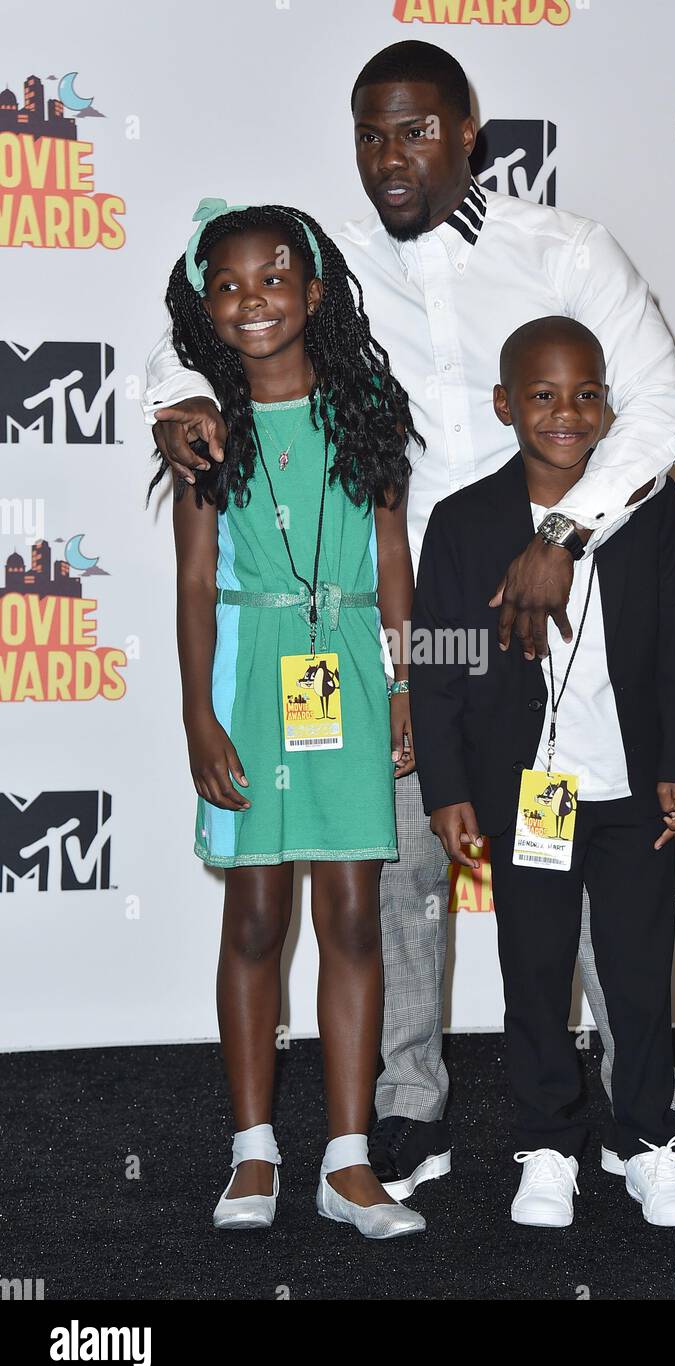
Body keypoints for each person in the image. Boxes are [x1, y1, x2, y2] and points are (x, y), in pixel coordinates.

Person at [141, 42, 675, 1201]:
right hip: (414, 619)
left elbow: (664, 408)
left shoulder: (559, 247)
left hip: (566, 609)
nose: (392, 154)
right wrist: (169, 395)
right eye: (371, 132)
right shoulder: (323, 259)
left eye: (416, 129)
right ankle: (405, 1112)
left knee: (593, 861)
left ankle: (642, 1122)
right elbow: (200, 315)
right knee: (404, 868)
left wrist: (561, 533)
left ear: (467, 130)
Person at [411, 316, 675, 1225]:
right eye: (542, 394)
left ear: (610, 405)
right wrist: (447, 787)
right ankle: (546, 1146)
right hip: (535, 793)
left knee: (640, 970)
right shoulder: (463, 522)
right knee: (533, 971)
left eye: (587, 394)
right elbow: (441, 662)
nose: (566, 413)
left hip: (631, 787)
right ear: (503, 405)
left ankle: (644, 1142)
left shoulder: (648, 514)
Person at [151, 197, 425, 1239]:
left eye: (273, 279)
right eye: (227, 284)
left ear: (313, 293)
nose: (251, 300)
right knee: (257, 917)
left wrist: (403, 683)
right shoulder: (203, 433)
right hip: (250, 679)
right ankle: (254, 1151)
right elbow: (192, 583)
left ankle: (348, 1162)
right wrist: (196, 719)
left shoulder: (368, 410)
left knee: (353, 915)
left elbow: (390, 558)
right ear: (204, 307)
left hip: (350, 668)